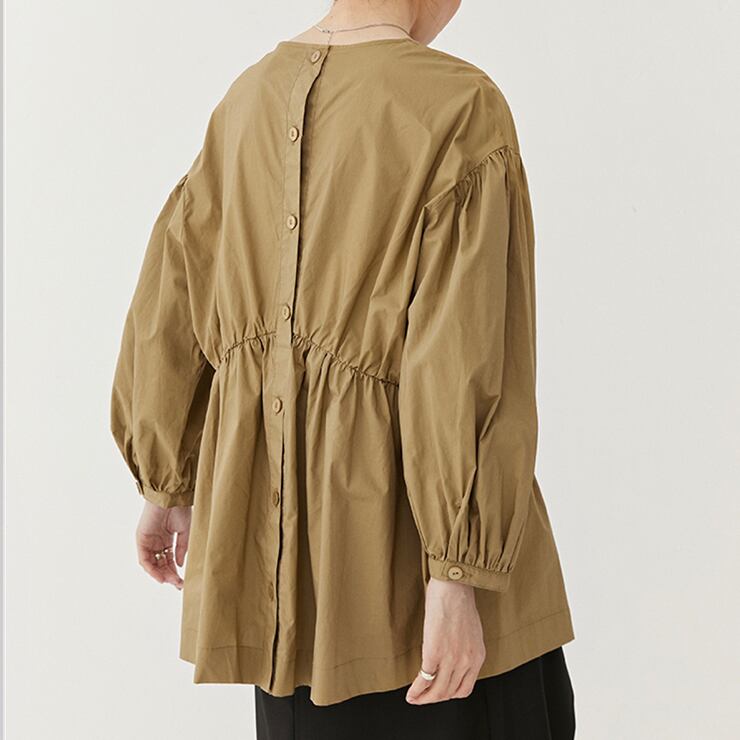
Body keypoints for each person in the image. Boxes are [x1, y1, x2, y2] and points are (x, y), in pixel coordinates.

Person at [110, 1, 576, 737]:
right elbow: (463, 357)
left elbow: (171, 299)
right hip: (432, 597)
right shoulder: (459, 104)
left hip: (284, 593)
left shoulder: (246, 100)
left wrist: (167, 484)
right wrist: (457, 573)